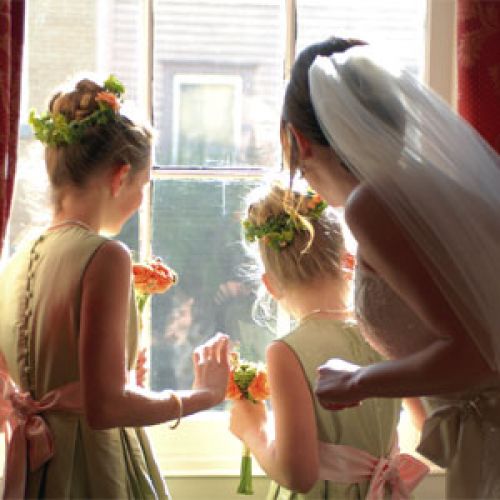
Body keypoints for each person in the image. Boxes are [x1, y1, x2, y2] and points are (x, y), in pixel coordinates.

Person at [280, 36, 500, 498]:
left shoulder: (374, 204)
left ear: (299, 141)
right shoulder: (430, 192)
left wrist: (358, 381)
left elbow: (477, 354)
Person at [0, 75, 229, 499]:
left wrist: (106, 385)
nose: (140, 200)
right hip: (91, 469)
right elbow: (104, 408)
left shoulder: (15, 261)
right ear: (120, 176)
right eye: (143, 186)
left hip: (34, 471)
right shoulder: (105, 256)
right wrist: (202, 395)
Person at [229, 183, 428, 499]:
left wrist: (252, 430)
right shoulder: (385, 330)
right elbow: (426, 422)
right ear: (348, 262)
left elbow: (298, 475)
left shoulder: (286, 352)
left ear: (270, 285)